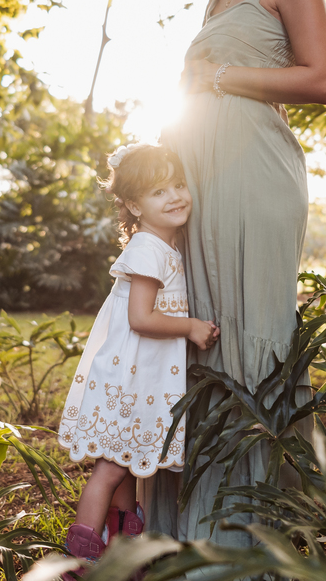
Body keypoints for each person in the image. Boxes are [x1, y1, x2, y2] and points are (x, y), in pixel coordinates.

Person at [152, 0, 326, 545]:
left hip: (259, 183)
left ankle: (251, 540)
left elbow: (322, 79)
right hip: (200, 188)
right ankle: (194, 537)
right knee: (204, 343)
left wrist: (225, 77)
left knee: (251, 342)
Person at [58, 143, 221, 573]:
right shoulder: (148, 249)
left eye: (179, 185)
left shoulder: (162, 245)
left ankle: (119, 554)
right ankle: (81, 560)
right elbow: (141, 317)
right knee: (111, 469)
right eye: (158, 192)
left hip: (138, 378)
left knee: (126, 469)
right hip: (129, 380)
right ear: (133, 204)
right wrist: (190, 327)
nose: (175, 197)